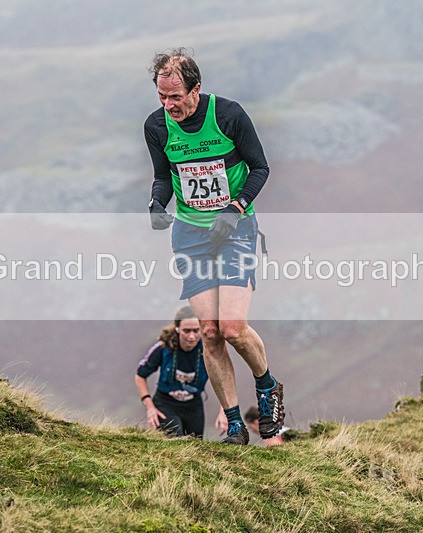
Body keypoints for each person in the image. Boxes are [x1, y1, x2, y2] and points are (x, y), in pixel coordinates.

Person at [144, 48, 285, 445]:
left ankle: (268, 388)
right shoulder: (156, 126)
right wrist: (157, 204)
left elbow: (260, 167)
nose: (168, 105)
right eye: (161, 96)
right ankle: (235, 424)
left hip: (235, 228)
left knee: (232, 327)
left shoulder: (228, 115)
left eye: (176, 96)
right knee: (209, 332)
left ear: (197, 88)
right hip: (191, 235)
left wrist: (235, 206)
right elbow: (163, 177)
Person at [135, 306, 227, 438]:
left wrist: (225, 411)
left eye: (196, 331)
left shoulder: (209, 350)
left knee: (194, 446)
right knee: (175, 440)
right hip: (166, 403)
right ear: (177, 329)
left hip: (193, 405)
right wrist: (149, 407)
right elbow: (140, 376)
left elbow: (224, 380)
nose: (191, 336)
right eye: (186, 331)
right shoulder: (163, 347)